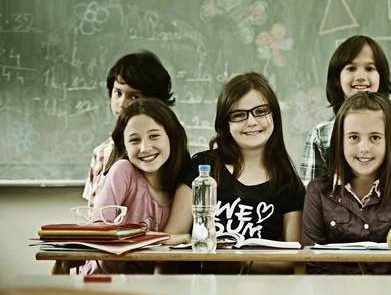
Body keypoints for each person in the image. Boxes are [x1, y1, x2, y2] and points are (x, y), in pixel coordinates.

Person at [162, 72, 306, 274]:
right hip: (200, 291)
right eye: (239, 115)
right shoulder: (203, 168)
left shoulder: (288, 183)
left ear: (274, 115)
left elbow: (294, 259)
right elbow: (172, 240)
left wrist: (239, 261)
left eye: (260, 111)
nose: (252, 122)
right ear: (225, 124)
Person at [302, 91, 391, 274]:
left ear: (389, 141)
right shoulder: (317, 192)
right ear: (340, 141)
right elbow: (313, 264)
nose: (364, 148)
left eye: (375, 137)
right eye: (353, 137)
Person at [80, 98, 190, 274]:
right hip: (103, 282)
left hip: (151, 287)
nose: (145, 148)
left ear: (172, 137)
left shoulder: (183, 183)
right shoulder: (123, 170)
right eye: (134, 140)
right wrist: (163, 239)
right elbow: (100, 231)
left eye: (154, 136)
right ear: (124, 147)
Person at [299, 35, 391, 186]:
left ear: (381, 76)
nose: (360, 76)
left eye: (369, 68)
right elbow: (310, 195)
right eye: (351, 68)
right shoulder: (320, 135)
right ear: (337, 79)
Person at [82, 50, 175, 207]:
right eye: (117, 93)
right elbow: (95, 213)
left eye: (134, 96)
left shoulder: (167, 149)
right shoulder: (102, 152)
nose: (121, 103)